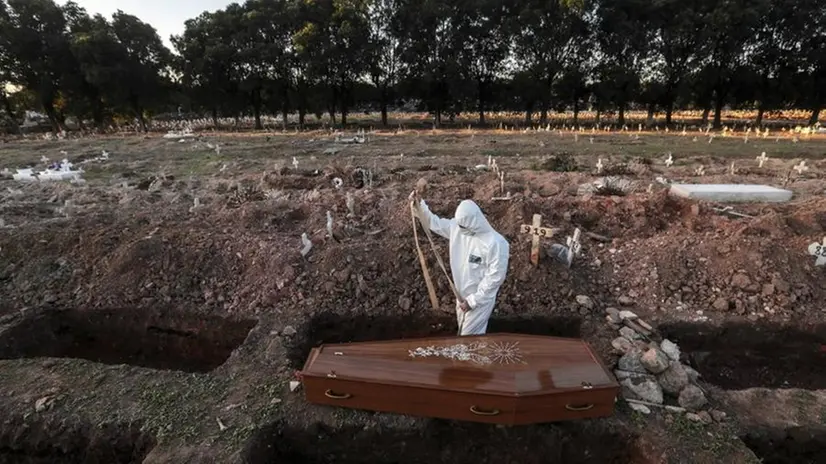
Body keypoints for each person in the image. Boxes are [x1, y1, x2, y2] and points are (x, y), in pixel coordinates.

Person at [410, 193, 510, 335]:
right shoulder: (458, 229)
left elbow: (494, 279)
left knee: (469, 340)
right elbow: (433, 222)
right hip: (461, 298)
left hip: (479, 301)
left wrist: (473, 301)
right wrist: (420, 205)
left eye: (464, 227)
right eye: (460, 226)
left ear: (475, 222)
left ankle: (473, 356)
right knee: (465, 335)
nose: (461, 230)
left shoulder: (496, 244)